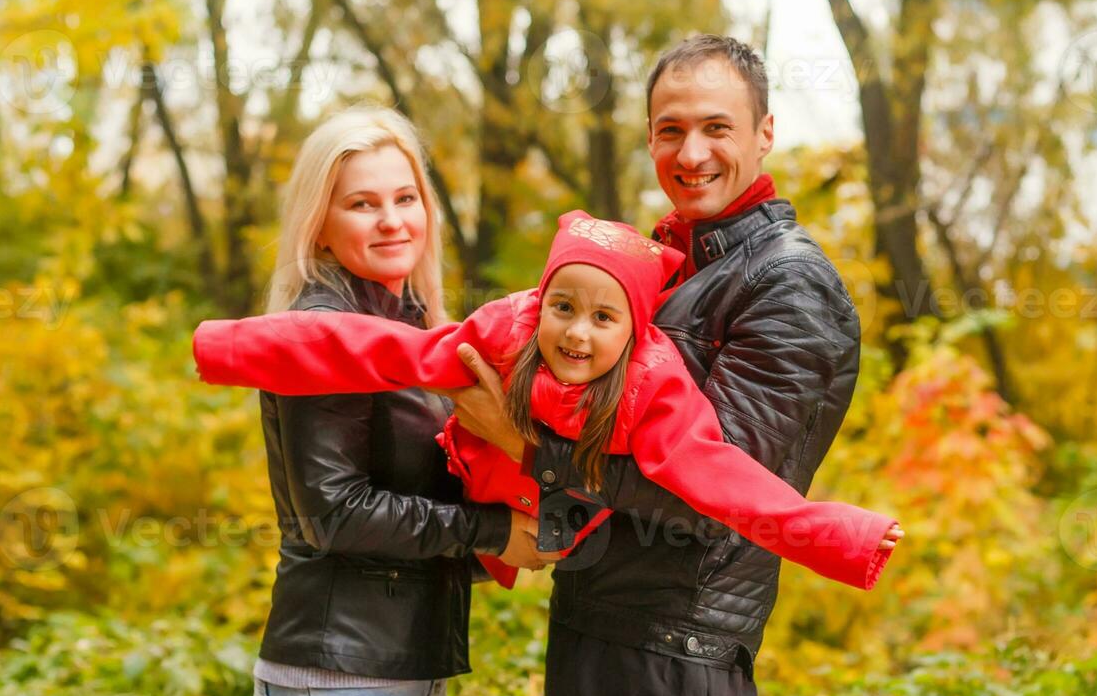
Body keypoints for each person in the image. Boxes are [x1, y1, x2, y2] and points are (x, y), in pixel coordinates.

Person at [444, 35, 891, 696]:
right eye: (669, 130)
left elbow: (707, 490)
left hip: (673, 654)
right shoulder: (666, 269)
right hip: (604, 627)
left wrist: (520, 440)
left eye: (717, 128)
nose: (691, 152)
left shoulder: (786, 286)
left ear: (763, 135)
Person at [194, 211, 901, 590]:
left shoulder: (652, 386)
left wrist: (841, 535)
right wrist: (225, 349)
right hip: (473, 488)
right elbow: (369, 350)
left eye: (603, 318)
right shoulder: (508, 330)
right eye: (563, 307)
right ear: (541, 302)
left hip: (554, 520)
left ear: (634, 330)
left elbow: (727, 482)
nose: (576, 333)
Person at [241, 107, 547, 696]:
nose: (391, 221)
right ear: (320, 222)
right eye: (362, 203)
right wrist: (496, 532)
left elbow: (420, 502)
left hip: (408, 678)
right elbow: (335, 514)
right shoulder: (323, 334)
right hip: (335, 686)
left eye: (404, 198)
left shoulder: (409, 328)